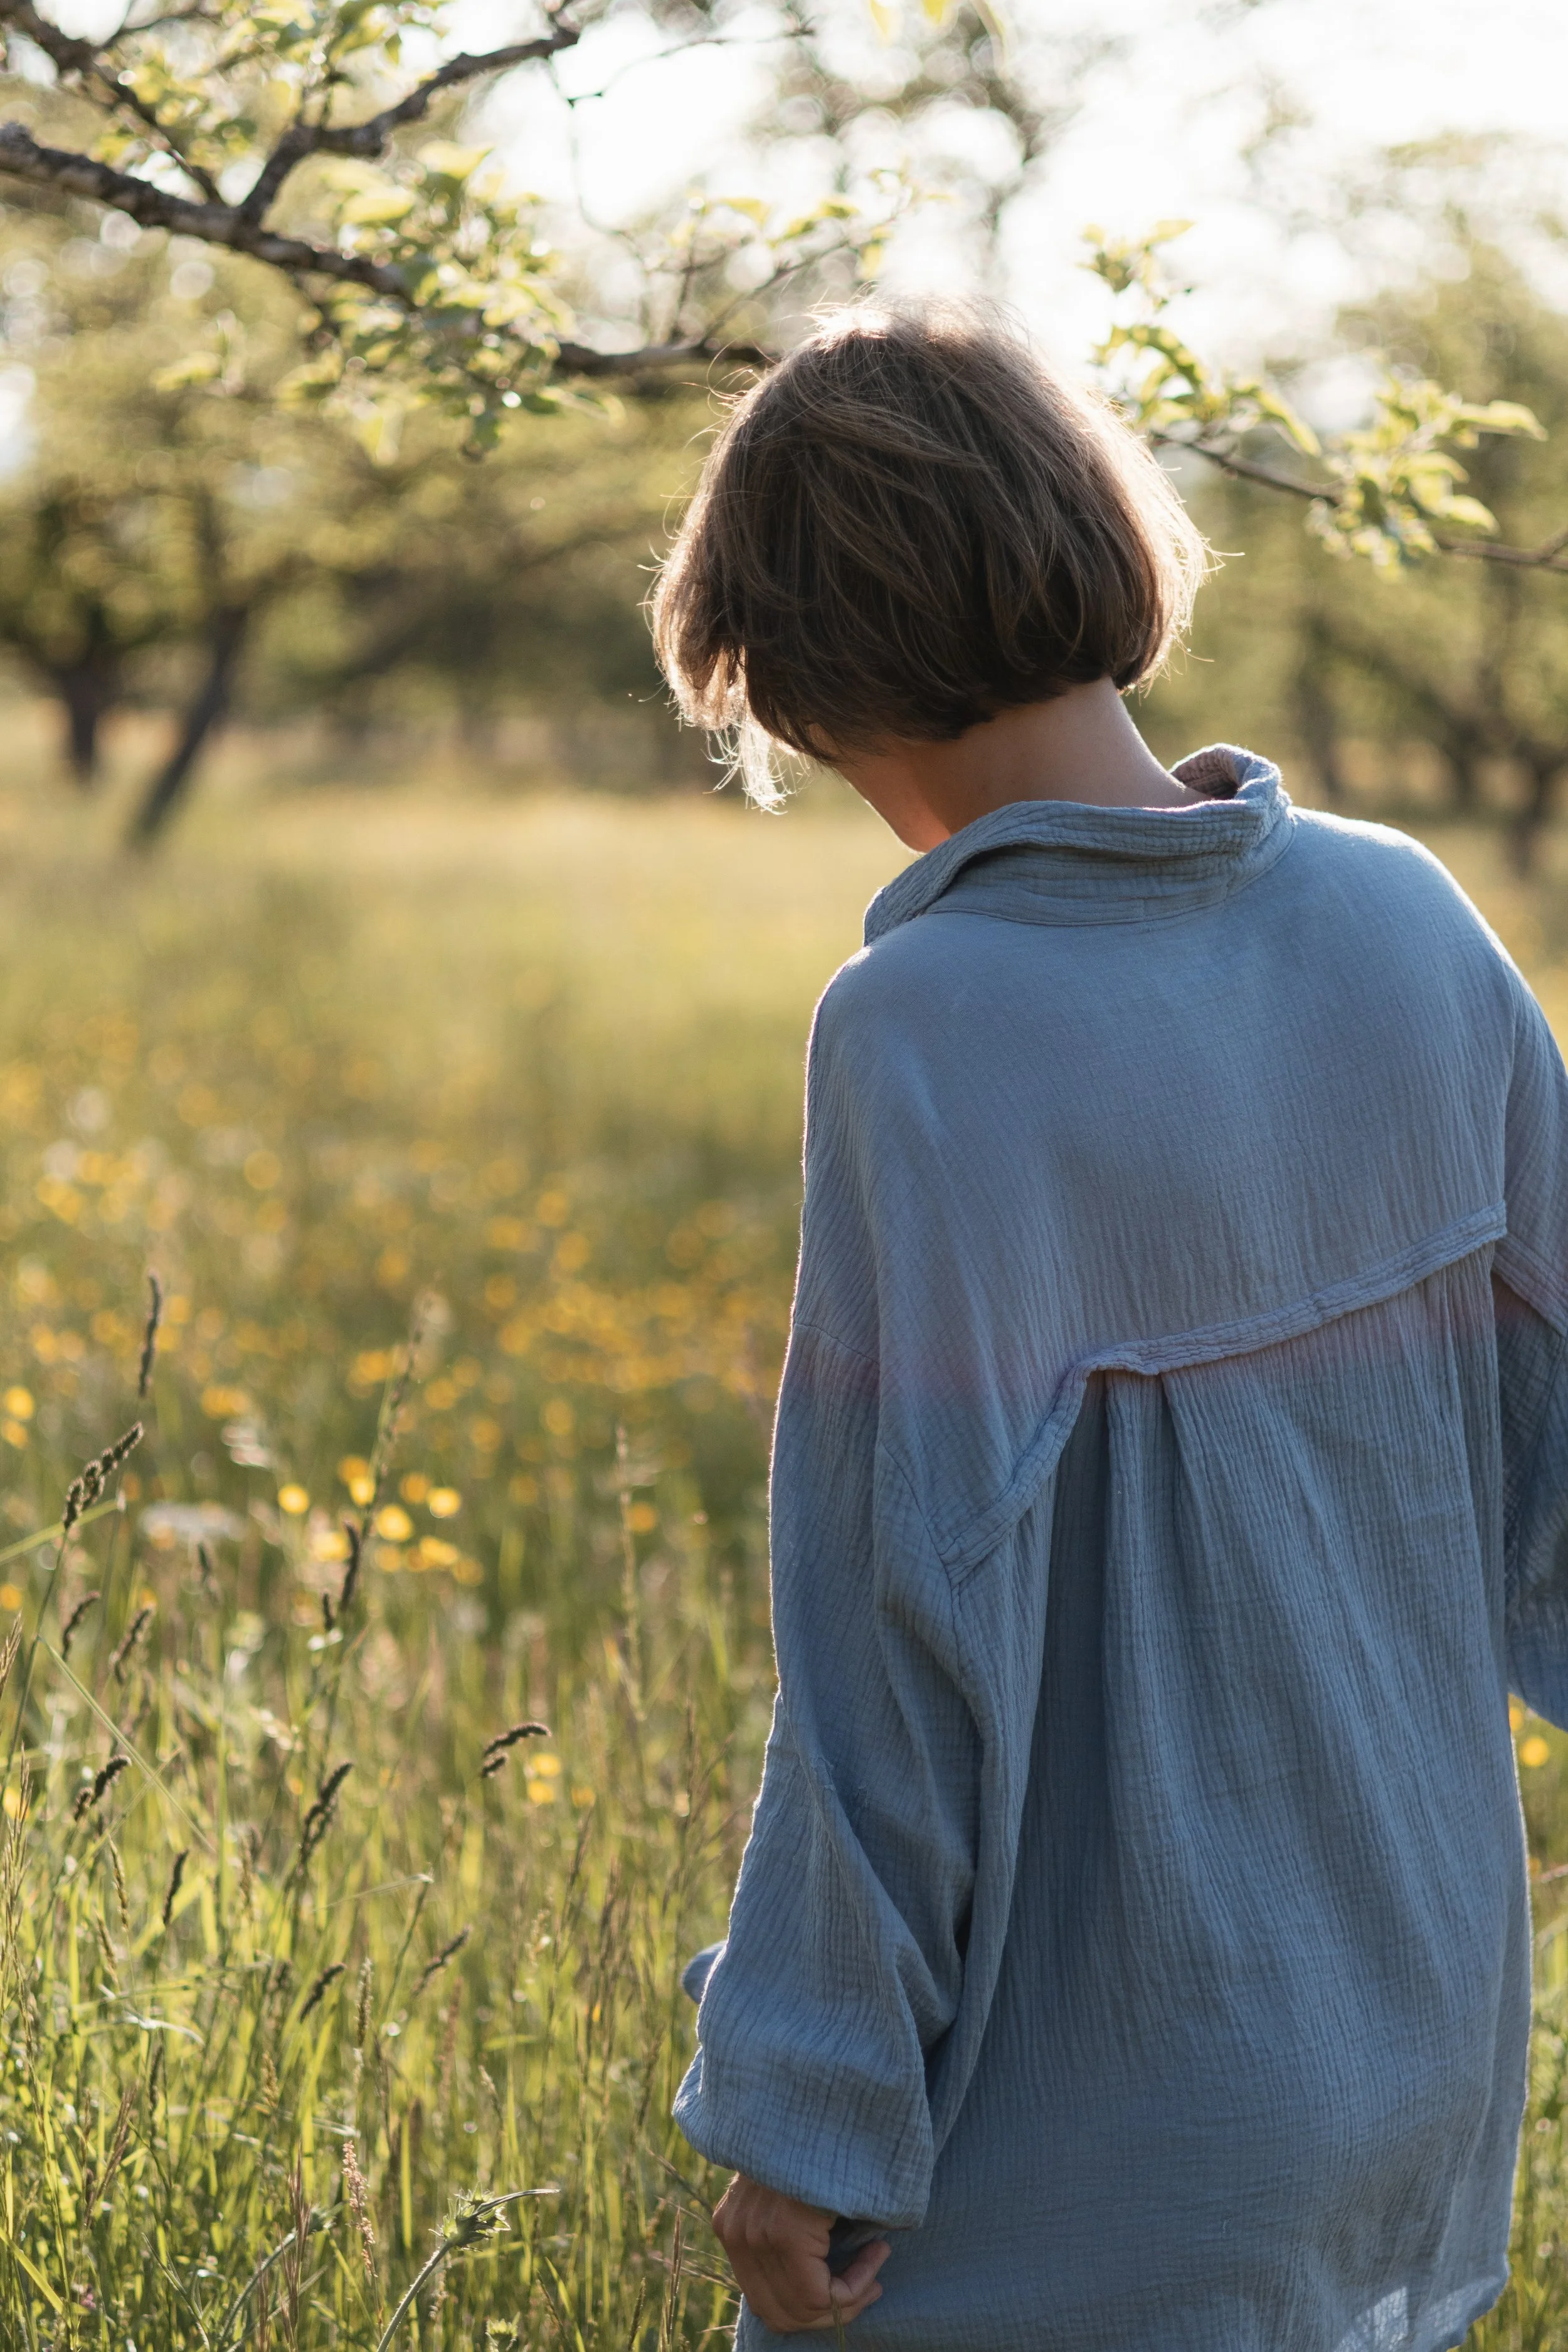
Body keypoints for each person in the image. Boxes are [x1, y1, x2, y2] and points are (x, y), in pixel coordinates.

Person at [649, 303, 1568, 2352]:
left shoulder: (924, 1029)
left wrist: (809, 2110)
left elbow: (894, 1620)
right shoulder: (1408, 918)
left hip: (1106, 2102)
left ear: (804, 674)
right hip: (1422, 2046)